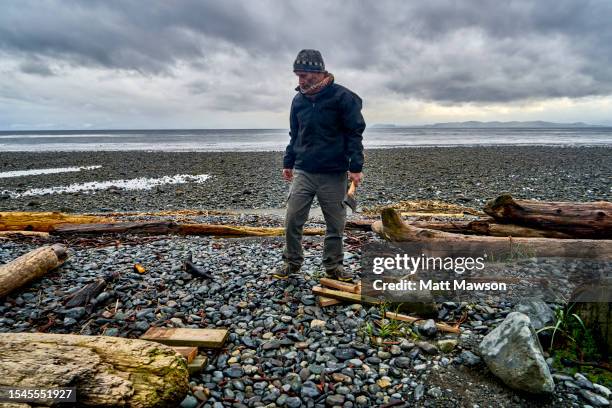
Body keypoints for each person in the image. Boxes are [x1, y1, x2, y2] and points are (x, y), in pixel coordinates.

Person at [274, 49, 366, 282]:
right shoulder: (298, 100)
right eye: (297, 75)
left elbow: (354, 134)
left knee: (335, 224)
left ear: (319, 72)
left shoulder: (344, 98)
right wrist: (289, 161)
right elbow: (295, 134)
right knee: (292, 219)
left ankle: (333, 267)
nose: (300, 80)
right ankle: (292, 263)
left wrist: (356, 166)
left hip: (334, 173)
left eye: (304, 75)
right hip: (304, 170)